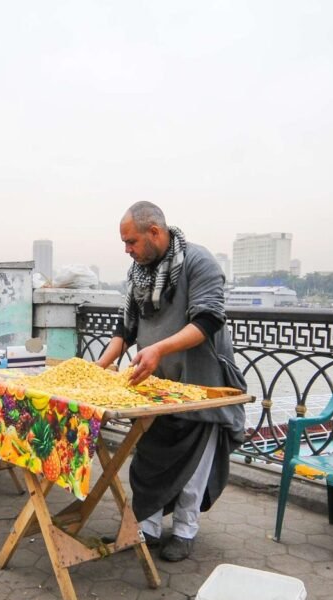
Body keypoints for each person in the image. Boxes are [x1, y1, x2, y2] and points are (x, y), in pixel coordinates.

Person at [96, 201, 246, 562]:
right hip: (155, 387)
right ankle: (145, 528)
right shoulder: (138, 272)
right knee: (149, 458)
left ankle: (184, 530)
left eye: (131, 241)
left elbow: (209, 319)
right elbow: (126, 328)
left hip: (200, 385)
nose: (127, 249)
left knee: (194, 466)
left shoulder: (198, 261)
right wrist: (99, 366)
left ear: (154, 232)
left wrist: (159, 349)